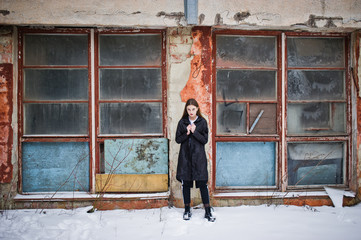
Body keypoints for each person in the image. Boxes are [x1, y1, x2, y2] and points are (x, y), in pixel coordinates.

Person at [175, 98, 215, 222]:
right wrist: (186, 133)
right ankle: (187, 209)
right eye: (188, 109)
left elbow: (204, 140)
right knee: (186, 184)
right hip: (185, 158)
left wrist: (195, 131)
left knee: (202, 184)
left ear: (197, 109)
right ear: (186, 110)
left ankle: (207, 211)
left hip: (199, 159)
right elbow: (178, 139)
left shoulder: (202, 122)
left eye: (193, 109)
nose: (191, 111)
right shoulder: (182, 122)